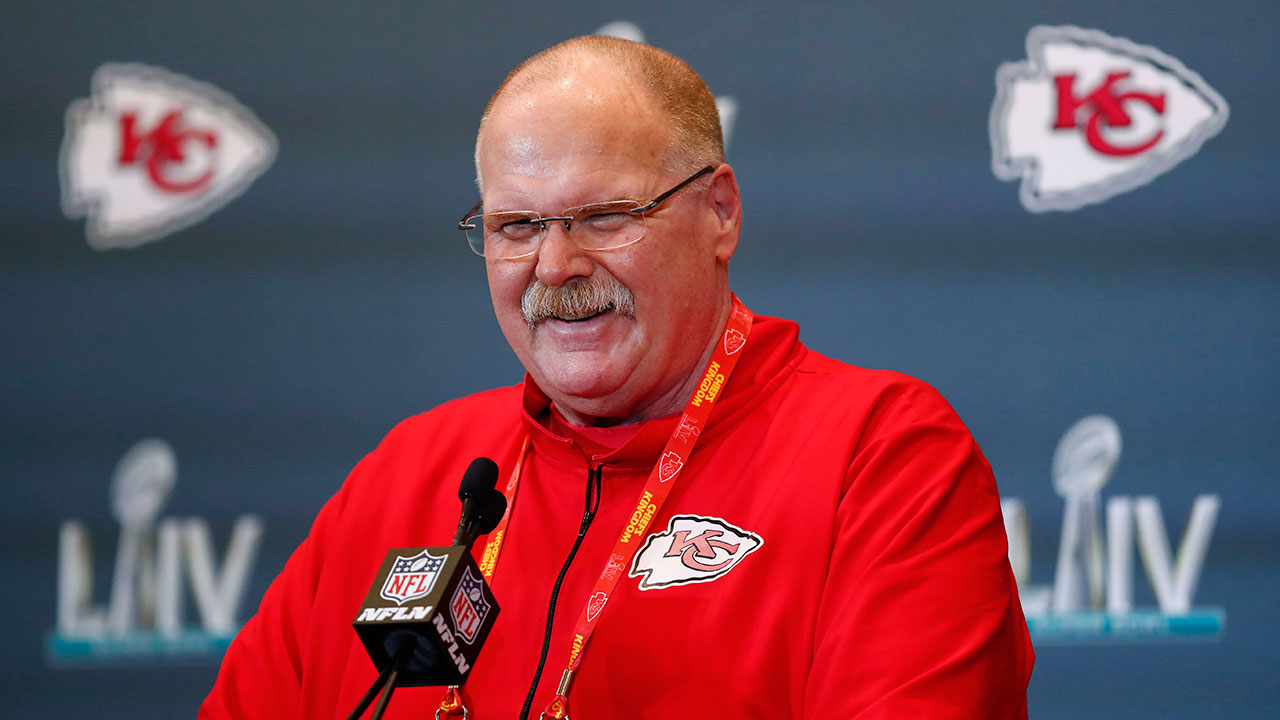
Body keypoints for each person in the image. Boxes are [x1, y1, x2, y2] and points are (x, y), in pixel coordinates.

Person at [201, 35, 1033, 719]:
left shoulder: (879, 456)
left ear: (720, 213)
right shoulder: (411, 472)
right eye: (517, 225)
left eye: (604, 216)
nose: (555, 265)